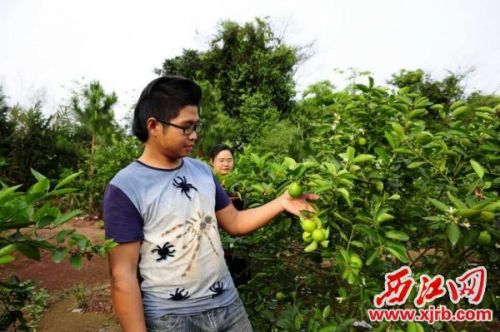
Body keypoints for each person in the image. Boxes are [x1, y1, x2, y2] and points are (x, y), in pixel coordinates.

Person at [103, 75, 317, 332]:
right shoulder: (126, 187)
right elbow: (123, 275)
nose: (194, 135)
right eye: (186, 127)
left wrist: (282, 202)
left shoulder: (203, 173)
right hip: (171, 318)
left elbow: (234, 223)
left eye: (196, 126)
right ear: (153, 126)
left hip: (228, 305)